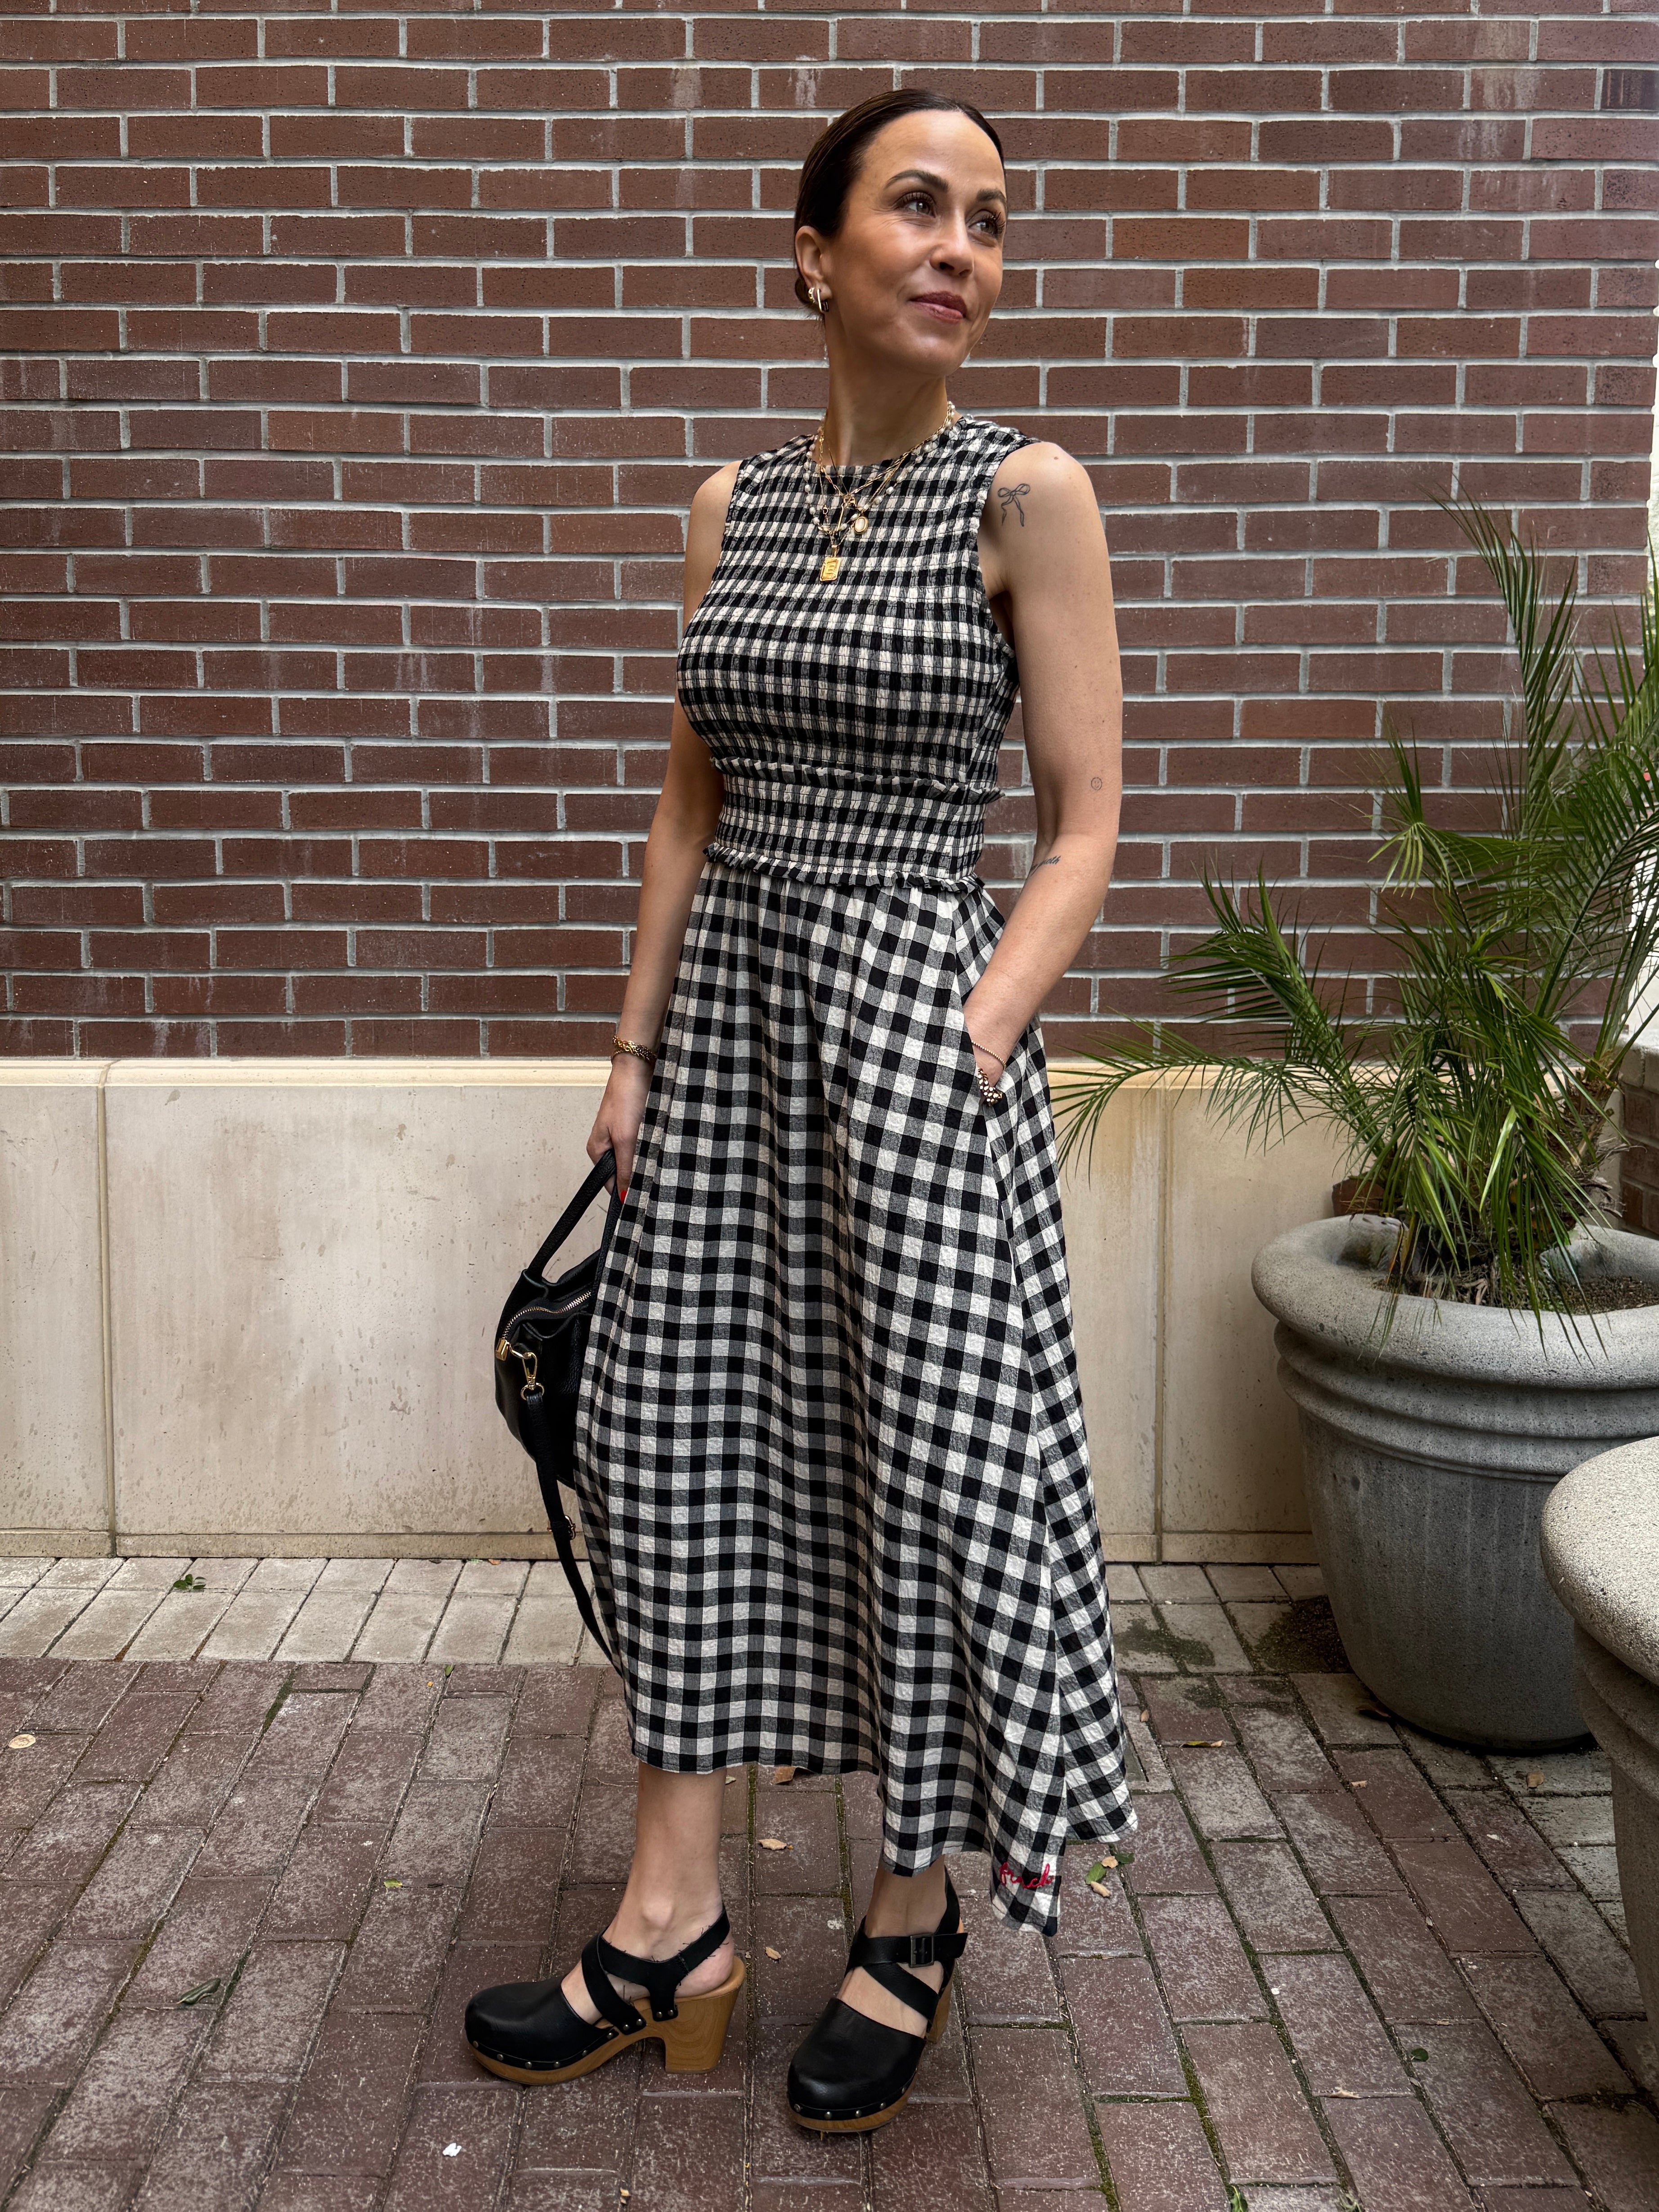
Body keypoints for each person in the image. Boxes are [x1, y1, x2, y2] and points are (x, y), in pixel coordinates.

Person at [466, 85, 1133, 2136]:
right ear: (812, 253)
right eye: (916, 209)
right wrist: (630, 1053)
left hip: (913, 1050)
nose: (961, 250)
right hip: (733, 1039)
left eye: (989, 223)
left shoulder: (1028, 493)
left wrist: (978, 1028)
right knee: (677, 1442)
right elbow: (687, 803)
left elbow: (1086, 820)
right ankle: (673, 1918)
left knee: (930, 1474)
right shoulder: (733, 503)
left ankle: (912, 1909)